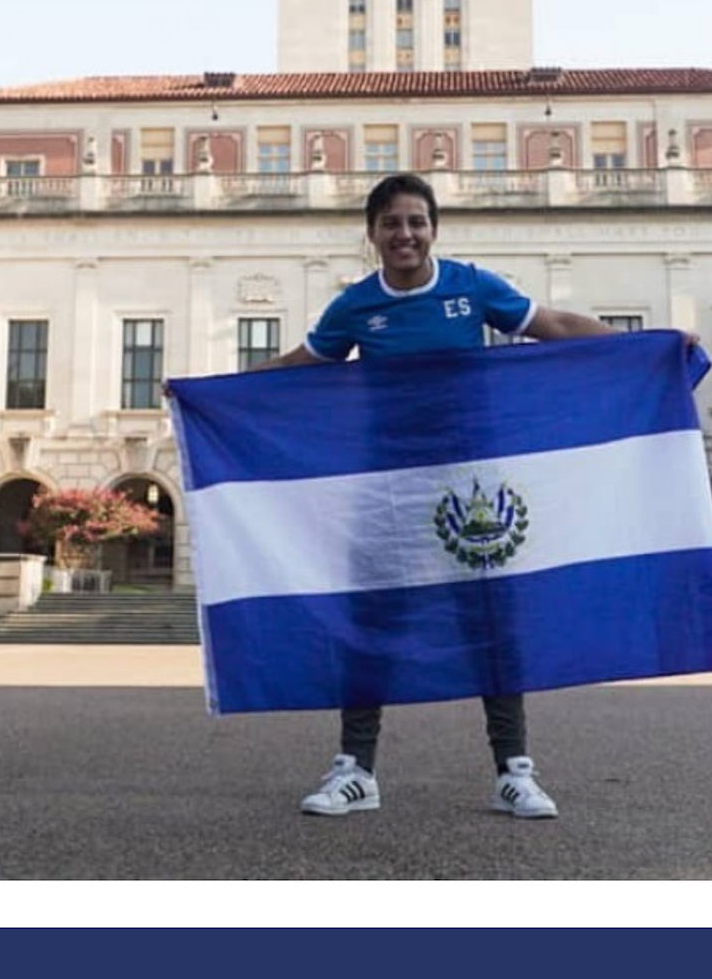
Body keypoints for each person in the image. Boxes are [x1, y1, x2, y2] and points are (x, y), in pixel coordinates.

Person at [256, 172, 617, 819]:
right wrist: (205, 390)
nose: (405, 234)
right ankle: (356, 772)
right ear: (371, 234)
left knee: (490, 626)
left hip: (468, 485)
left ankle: (514, 772)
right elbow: (298, 368)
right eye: (392, 223)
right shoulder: (355, 307)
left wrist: (651, 344)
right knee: (374, 622)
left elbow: (554, 323)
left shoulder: (473, 287)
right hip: (386, 485)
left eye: (416, 222)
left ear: (434, 230)